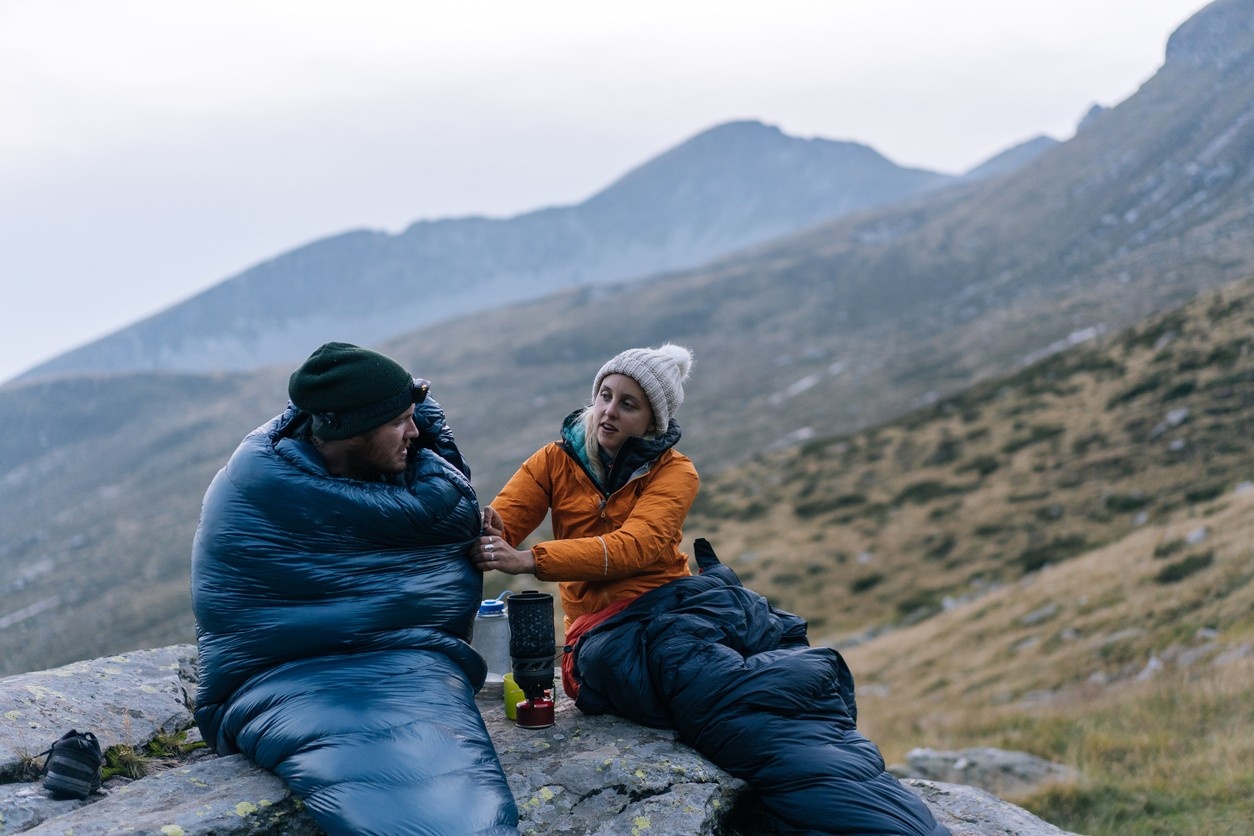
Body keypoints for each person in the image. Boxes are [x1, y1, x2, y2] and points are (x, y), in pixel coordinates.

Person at [473, 343, 948, 836]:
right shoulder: (553, 461)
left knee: (778, 673)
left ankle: (852, 805)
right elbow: (502, 524)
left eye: (627, 404)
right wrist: (486, 526)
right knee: (730, 691)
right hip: (610, 630)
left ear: (652, 421)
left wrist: (532, 560)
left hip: (681, 601)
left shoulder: (676, 471)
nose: (608, 411)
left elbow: (639, 545)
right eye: (604, 395)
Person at [192, 341, 518, 836]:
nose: (415, 431)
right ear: (349, 432)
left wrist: (467, 533)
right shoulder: (262, 487)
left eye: (412, 415)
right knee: (435, 812)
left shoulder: (402, 472)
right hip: (284, 673)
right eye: (398, 422)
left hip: (405, 652)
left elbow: (419, 538)